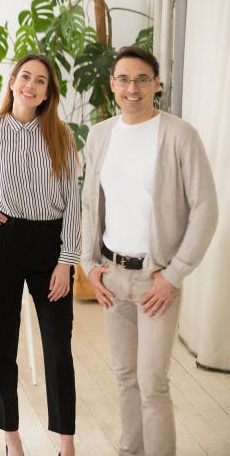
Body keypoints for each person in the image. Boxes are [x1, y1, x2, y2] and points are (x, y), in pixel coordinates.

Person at [82, 46, 218, 456]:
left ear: (157, 84)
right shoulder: (102, 134)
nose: (132, 88)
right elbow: (91, 202)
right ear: (112, 85)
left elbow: (206, 209)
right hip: (111, 275)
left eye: (142, 79)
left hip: (155, 279)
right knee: (125, 377)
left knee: (152, 383)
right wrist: (89, 265)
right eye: (123, 79)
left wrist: (173, 275)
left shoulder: (178, 134)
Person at [0, 54, 79, 456]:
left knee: (57, 344)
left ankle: (67, 441)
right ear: (13, 81)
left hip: (50, 247)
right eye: (25, 77)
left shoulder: (61, 134)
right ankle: (10, 437)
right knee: (1, 342)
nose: (31, 85)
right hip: (2, 242)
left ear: (49, 93)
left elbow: (73, 202)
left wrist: (67, 261)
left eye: (41, 82)